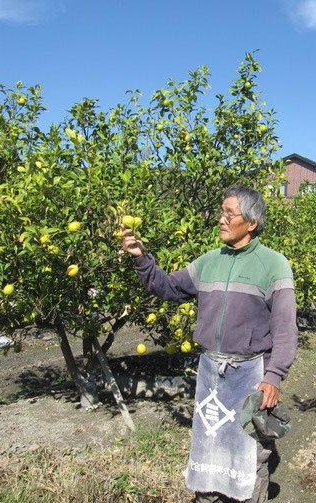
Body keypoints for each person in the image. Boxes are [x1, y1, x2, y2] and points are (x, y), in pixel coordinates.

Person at [122, 185, 298, 502]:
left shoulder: (273, 265)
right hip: (210, 373)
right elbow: (167, 287)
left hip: (249, 376)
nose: (221, 219)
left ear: (252, 221)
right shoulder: (208, 262)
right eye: (221, 213)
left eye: (228, 213)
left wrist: (273, 377)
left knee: (248, 454)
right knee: (209, 447)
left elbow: (285, 327)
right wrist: (141, 258)